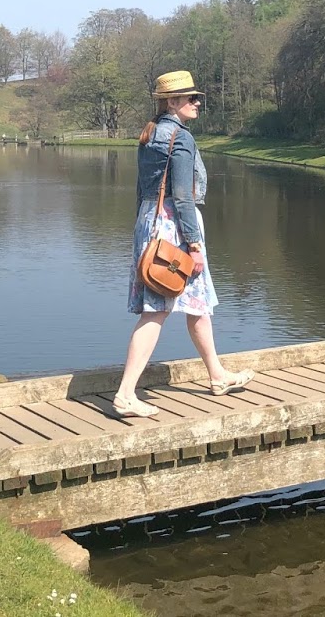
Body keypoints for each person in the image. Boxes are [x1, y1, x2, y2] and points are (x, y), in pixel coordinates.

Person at [112, 70, 254, 418]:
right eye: (191, 98)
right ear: (172, 102)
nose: (197, 103)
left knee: (198, 304)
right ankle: (125, 394)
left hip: (150, 222)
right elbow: (182, 197)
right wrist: (193, 245)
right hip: (174, 227)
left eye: (197, 97)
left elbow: (142, 191)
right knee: (156, 309)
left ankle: (217, 376)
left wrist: (143, 231)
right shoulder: (180, 138)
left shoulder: (150, 134)